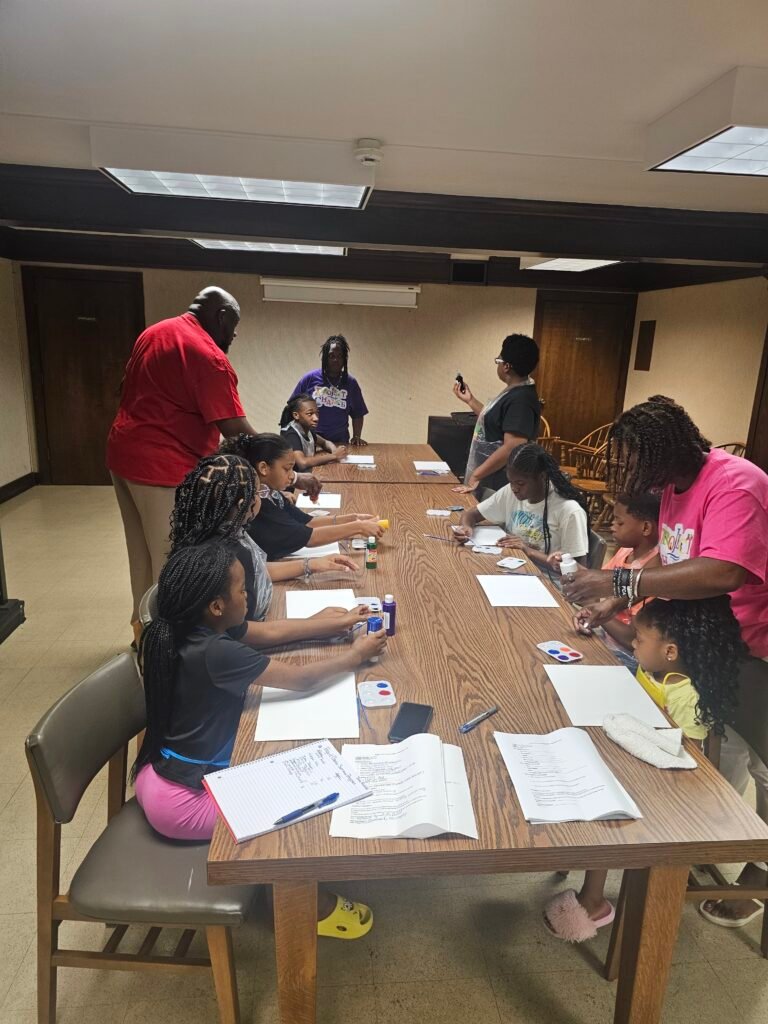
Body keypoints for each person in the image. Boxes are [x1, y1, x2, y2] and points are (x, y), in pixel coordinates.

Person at [564, 395, 768, 926]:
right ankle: (698, 849)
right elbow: (677, 568)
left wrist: (619, 580)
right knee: (717, 758)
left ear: (666, 449)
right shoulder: (674, 489)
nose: (628, 472)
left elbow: (723, 571)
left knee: (762, 766)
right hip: (712, 646)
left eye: (634, 459)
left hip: (756, 647)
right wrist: (618, 603)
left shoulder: (736, 482)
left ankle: (758, 874)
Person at [133, 542, 383, 939]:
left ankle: (287, 890)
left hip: (160, 776)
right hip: (182, 802)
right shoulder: (215, 651)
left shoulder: (187, 632)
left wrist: (324, 625)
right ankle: (301, 906)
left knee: (287, 763)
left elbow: (269, 637)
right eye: (242, 589)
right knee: (305, 800)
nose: (248, 594)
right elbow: (300, 680)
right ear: (217, 605)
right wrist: (355, 656)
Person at [107, 286, 320, 645]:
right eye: (233, 327)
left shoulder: (154, 333)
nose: (233, 337)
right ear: (221, 317)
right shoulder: (207, 354)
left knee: (140, 556)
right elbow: (237, 429)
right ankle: (170, 651)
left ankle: (142, 635)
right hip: (163, 465)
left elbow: (123, 387)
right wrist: (289, 472)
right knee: (174, 565)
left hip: (122, 454)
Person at [544, 595, 746, 942]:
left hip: (675, 789)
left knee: (610, 810)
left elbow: (687, 759)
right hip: (639, 764)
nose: (632, 644)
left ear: (670, 651)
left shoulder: (686, 696)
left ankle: (593, 902)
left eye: (638, 638)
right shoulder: (654, 669)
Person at [170, 453, 372, 648]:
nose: (262, 498)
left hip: (261, 624)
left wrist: (311, 565)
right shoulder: (223, 556)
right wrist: (317, 625)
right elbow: (242, 634)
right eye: (259, 493)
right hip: (248, 645)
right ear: (244, 504)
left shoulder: (225, 532)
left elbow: (256, 570)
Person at [223, 434, 385, 561]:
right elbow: (310, 537)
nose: (292, 476)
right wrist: (358, 527)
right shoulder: (257, 503)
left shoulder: (271, 492)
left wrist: (353, 518)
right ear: (264, 468)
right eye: (287, 469)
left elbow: (308, 522)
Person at [454, 443, 589, 571]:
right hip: (514, 567)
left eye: (520, 483)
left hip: (549, 581)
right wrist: (465, 528)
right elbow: (471, 514)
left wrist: (528, 550)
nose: (514, 488)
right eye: (511, 482)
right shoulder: (510, 491)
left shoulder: (569, 510)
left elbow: (578, 570)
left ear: (542, 476)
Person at [452, 333, 541, 495]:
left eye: (498, 360)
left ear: (506, 366)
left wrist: (476, 475)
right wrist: (470, 400)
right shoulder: (515, 392)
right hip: (493, 477)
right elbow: (494, 421)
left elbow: (513, 446)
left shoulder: (521, 399)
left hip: (503, 482)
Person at [574, 492, 660, 656]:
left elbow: (631, 639)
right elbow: (602, 583)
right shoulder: (625, 552)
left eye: (620, 522)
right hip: (605, 638)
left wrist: (596, 613)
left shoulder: (653, 573)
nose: (612, 526)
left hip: (625, 655)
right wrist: (569, 568)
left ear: (646, 528)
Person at [291, 335, 369, 446]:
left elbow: (358, 413)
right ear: (325, 358)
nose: (336, 360)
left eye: (340, 356)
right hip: (312, 442)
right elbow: (292, 406)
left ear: (344, 359)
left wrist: (357, 436)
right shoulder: (310, 378)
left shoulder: (351, 383)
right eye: (331, 356)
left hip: (340, 442)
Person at [280, 393, 347, 470]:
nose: (316, 418)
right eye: (310, 414)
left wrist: (335, 451)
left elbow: (325, 442)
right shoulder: (291, 434)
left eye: (317, 413)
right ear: (296, 415)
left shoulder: (307, 429)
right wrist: (334, 456)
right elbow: (302, 463)